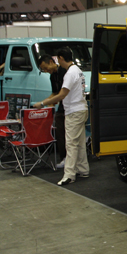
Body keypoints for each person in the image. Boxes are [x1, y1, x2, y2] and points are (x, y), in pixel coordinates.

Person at [34, 47, 89, 186]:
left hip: (74, 112)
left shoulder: (70, 73)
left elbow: (62, 94)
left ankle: (69, 175)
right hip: (81, 109)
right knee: (79, 142)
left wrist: (42, 103)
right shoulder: (78, 70)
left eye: (58, 58)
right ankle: (83, 169)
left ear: (61, 58)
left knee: (71, 143)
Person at [37, 54, 67, 168]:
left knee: (69, 135)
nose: (46, 71)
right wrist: (43, 103)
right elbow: (55, 93)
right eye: (43, 70)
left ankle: (71, 159)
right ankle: (64, 158)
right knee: (59, 133)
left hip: (69, 106)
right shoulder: (52, 77)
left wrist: (43, 103)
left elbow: (61, 94)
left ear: (51, 61)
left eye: (46, 68)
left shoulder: (64, 72)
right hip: (61, 107)